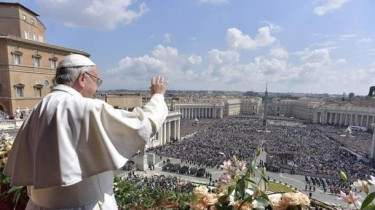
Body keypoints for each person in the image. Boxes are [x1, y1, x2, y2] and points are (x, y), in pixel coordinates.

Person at [4, 54, 168, 209]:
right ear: (82, 78)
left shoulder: (36, 110)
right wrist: (158, 97)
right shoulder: (85, 108)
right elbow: (142, 126)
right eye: (97, 81)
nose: (97, 89)